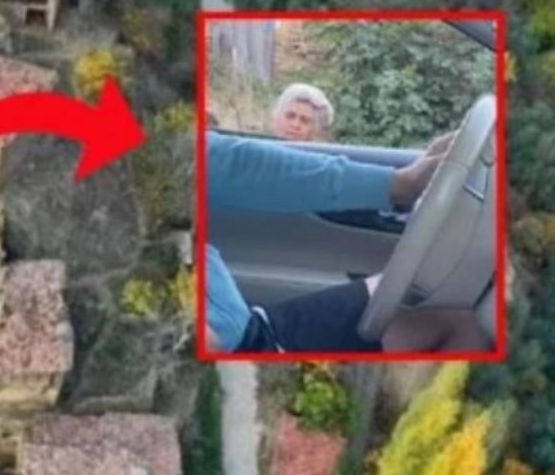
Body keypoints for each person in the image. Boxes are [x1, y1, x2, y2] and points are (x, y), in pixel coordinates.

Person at [204, 130, 481, 353]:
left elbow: (232, 165)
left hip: (255, 330)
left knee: (451, 312)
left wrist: (400, 184)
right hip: (234, 348)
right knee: (457, 320)